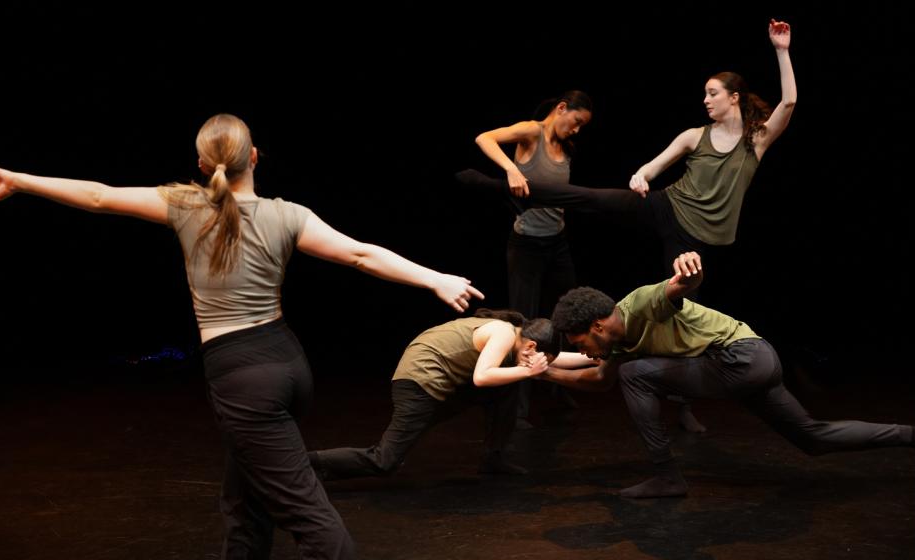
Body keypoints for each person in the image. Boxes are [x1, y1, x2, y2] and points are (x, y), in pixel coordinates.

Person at [0, 113, 486, 560]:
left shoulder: (185, 205)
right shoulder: (288, 214)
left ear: (200, 165)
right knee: (245, 503)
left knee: (309, 515)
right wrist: (433, 277)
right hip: (286, 363)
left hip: (243, 381)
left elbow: (100, 196)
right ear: (255, 156)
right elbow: (359, 253)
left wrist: (22, 180)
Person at [457, 20, 797, 432]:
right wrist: (641, 176)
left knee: (680, 319)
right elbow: (654, 165)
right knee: (589, 197)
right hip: (665, 206)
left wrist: (781, 50)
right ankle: (494, 185)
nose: (705, 100)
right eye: (705, 93)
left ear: (734, 98)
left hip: (696, 238)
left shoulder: (755, 141)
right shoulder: (695, 135)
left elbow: (789, 104)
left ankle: (683, 407)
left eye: (712, 94)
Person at [539, 251, 915, 498]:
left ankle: (668, 476)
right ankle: (912, 436)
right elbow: (598, 379)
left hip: (742, 358)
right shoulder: (618, 345)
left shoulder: (639, 303)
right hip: (749, 365)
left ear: (599, 325)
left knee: (636, 374)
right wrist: (542, 373)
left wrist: (691, 269)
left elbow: (680, 286)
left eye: (581, 341)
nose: (583, 351)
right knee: (812, 437)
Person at [309, 309, 556, 480]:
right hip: (419, 383)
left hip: (439, 382)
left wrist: (595, 358)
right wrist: (527, 372)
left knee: (505, 385)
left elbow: (557, 361)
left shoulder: (516, 337)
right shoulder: (504, 333)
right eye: (539, 356)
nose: (536, 363)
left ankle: (494, 457)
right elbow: (482, 377)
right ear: (532, 345)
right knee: (385, 461)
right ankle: (306, 464)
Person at [472, 90, 594, 426]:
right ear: (562, 108)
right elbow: (484, 138)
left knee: (566, 315)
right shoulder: (532, 131)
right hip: (526, 245)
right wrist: (511, 169)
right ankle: (518, 405)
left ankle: (557, 386)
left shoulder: (566, 147)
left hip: (558, 244)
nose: (577, 130)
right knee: (523, 323)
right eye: (577, 122)